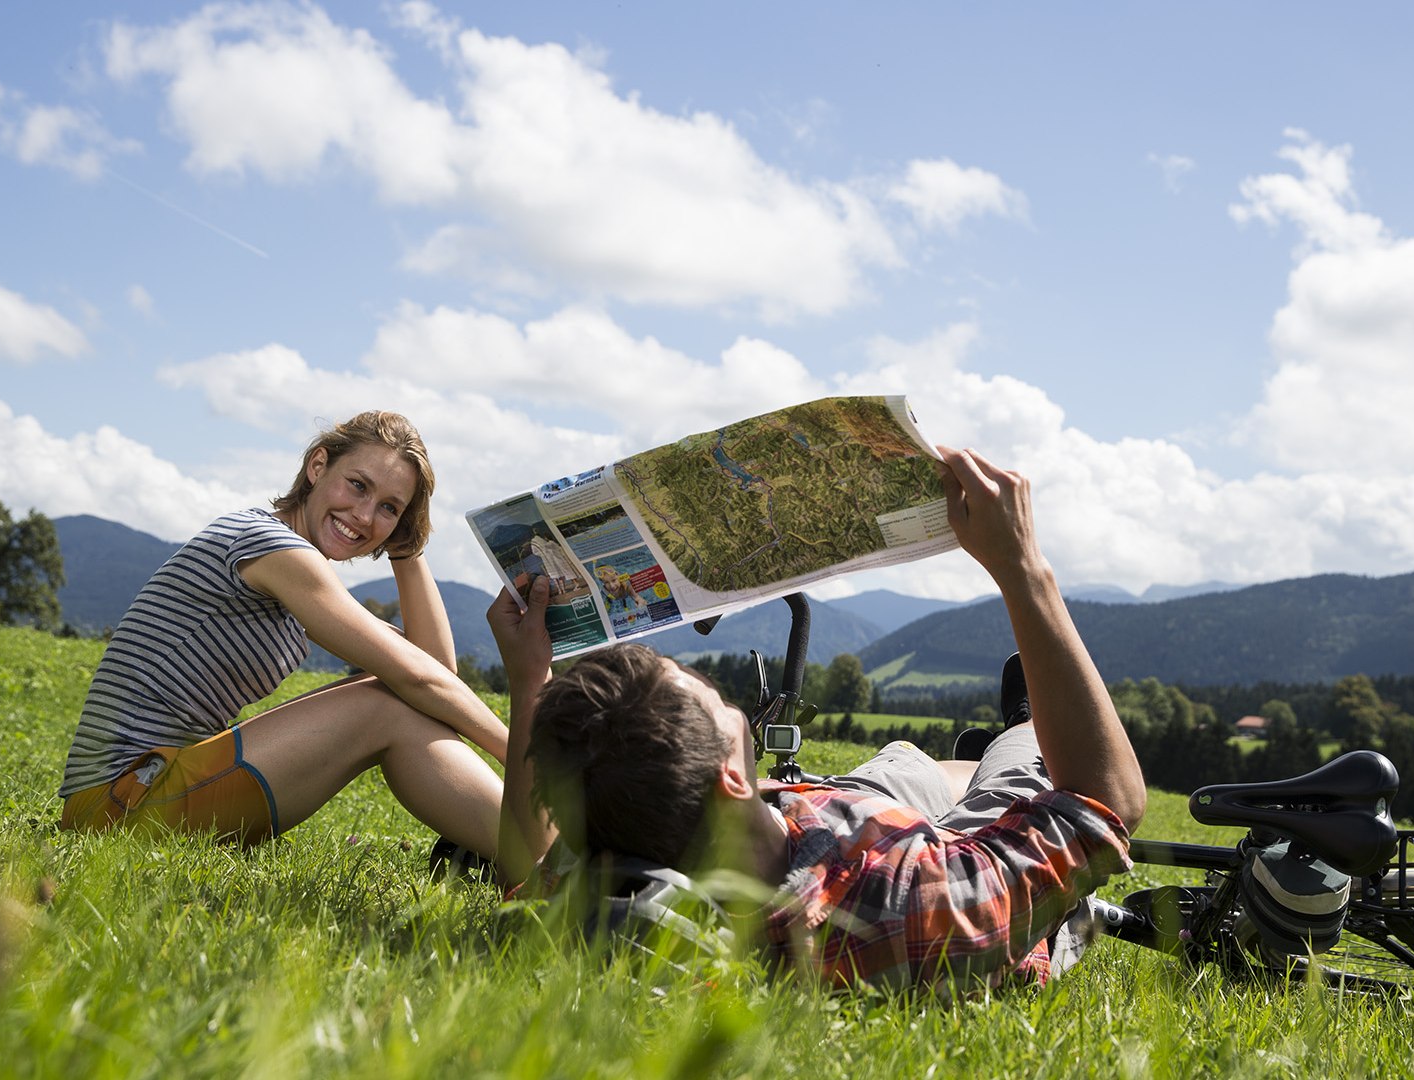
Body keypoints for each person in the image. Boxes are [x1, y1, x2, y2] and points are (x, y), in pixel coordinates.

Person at [487, 445, 1146, 990]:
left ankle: (973, 759)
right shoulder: (918, 902)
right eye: (718, 704)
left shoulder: (616, 867)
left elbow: (526, 867)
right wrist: (1024, 568)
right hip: (917, 860)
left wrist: (528, 681)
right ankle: (1019, 730)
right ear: (732, 780)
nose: (725, 698)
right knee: (1020, 761)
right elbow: (1106, 803)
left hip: (819, 823)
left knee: (905, 762)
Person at [59, 411, 507, 858]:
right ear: (317, 466)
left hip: (145, 791)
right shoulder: (270, 546)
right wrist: (527, 759)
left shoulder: (294, 571)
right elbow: (424, 680)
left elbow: (435, 672)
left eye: (390, 508)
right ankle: (542, 855)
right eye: (358, 485)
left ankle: (517, 846)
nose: (366, 515)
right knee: (384, 704)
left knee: (392, 692)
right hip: (117, 806)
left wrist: (407, 546)